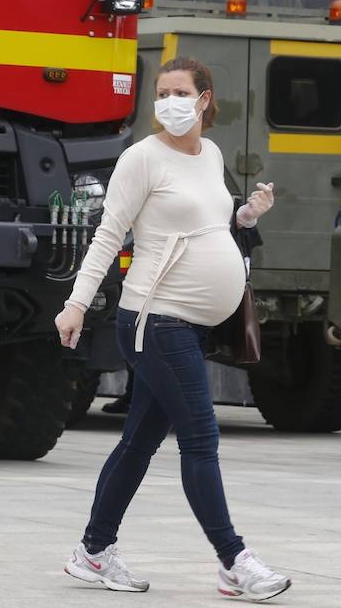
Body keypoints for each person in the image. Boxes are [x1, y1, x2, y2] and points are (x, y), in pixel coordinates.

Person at [54, 57, 291, 602]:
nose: (168, 102)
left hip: (193, 323)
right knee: (201, 438)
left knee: (139, 441)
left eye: (180, 91)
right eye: (161, 92)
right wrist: (76, 305)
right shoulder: (141, 158)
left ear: (205, 99)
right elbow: (109, 233)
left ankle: (93, 551)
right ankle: (234, 562)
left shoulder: (210, 154)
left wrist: (246, 218)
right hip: (155, 321)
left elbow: (207, 224)